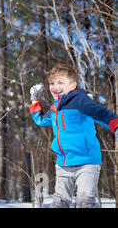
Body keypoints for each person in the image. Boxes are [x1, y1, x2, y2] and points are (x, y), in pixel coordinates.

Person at [29, 64, 118, 208]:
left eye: (60, 82)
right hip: (64, 163)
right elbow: (40, 120)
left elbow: (99, 112)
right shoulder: (55, 108)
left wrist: (115, 125)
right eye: (52, 83)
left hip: (87, 161)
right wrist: (34, 99)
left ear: (72, 85)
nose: (54, 87)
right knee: (60, 201)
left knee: (85, 199)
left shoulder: (80, 100)